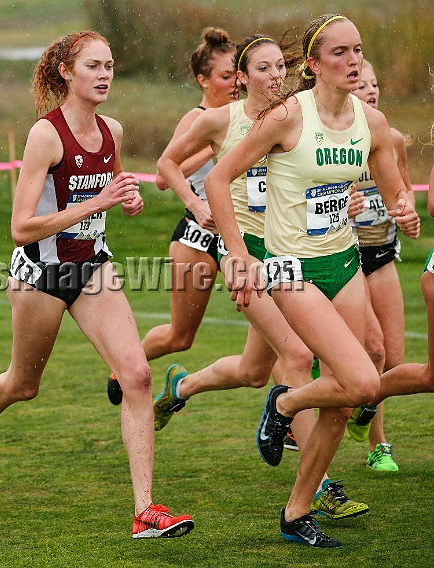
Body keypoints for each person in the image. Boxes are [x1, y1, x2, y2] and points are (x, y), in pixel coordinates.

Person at [0, 31, 194, 538]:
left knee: (138, 376)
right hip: (40, 273)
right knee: (23, 384)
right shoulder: (46, 135)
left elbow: (115, 184)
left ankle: (145, 509)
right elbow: (19, 227)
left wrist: (127, 199)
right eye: (93, 66)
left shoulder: (113, 130)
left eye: (110, 65)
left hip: (93, 267)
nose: (104, 75)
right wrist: (97, 204)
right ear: (66, 72)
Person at [203, 15, 419, 548]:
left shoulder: (372, 120)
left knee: (346, 397)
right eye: (339, 53)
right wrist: (237, 255)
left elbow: (393, 184)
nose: (352, 61)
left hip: (343, 261)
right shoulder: (285, 116)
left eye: (358, 51)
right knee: (364, 384)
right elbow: (217, 177)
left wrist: (404, 206)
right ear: (314, 63)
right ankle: (283, 404)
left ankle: (296, 513)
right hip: (289, 267)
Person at [154, 33, 368, 521]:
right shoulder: (219, 121)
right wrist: (195, 205)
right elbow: (167, 162)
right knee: (296, 356)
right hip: (246, 254)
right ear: (241, 79)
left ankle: (180, 388)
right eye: (263, 69)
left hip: (288, 253)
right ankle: (319, 488)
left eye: (280, 68)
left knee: (254, 371)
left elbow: (321, 183)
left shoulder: (298, 116)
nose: (275, 77)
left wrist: (345, 204)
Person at [107, 27, 238, 405]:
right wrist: (217, 147)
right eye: (225, 76)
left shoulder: (248, 116)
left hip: (240, 238)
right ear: (203, 80)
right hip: (197, 237)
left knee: (278, 335)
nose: (234, 83)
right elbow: (165, 177)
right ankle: (124, 365)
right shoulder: (196, 120)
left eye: (237, 75)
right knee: (181, 337)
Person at [346, 59, 416, 471]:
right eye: (361, 85)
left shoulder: (391, 139)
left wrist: (405, 211)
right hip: (347, 258)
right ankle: (379, 445)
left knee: (394, 356)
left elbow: (402, 188)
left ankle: (366, 412)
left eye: (375, 84)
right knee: (368, 352)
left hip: (383, 254)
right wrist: (343, 208)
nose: (370, 91)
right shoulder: (331, 145)